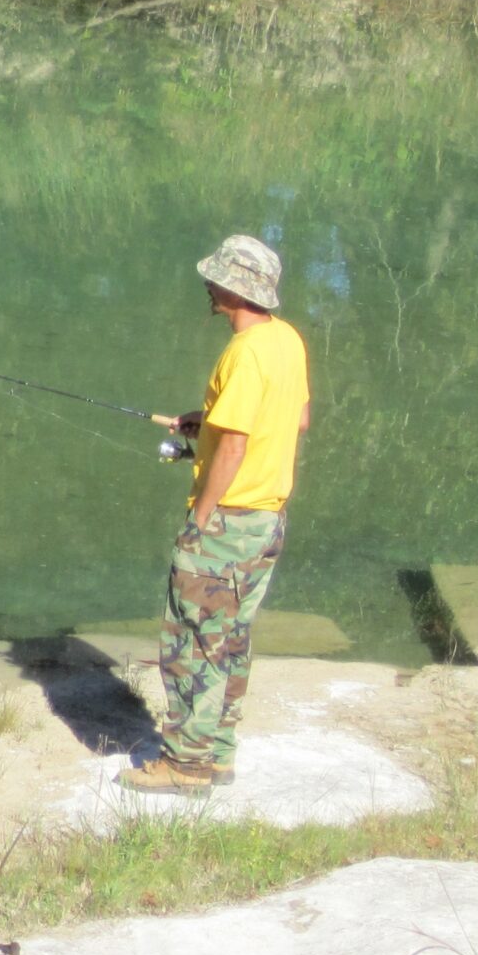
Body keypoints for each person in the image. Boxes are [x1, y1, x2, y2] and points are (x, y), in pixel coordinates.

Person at [123, 235, 311, 795]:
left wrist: (199, 520)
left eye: (216, 279)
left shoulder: (244, 352)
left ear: (235, 289)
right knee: (230, 638)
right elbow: (295, 420)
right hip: (267, 521)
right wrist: (207, 421)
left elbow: (233, 447)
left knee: (193, 643)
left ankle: (184, 767)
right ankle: (219, 753)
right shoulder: (286, 340)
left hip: (226, 522)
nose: (208, 286)